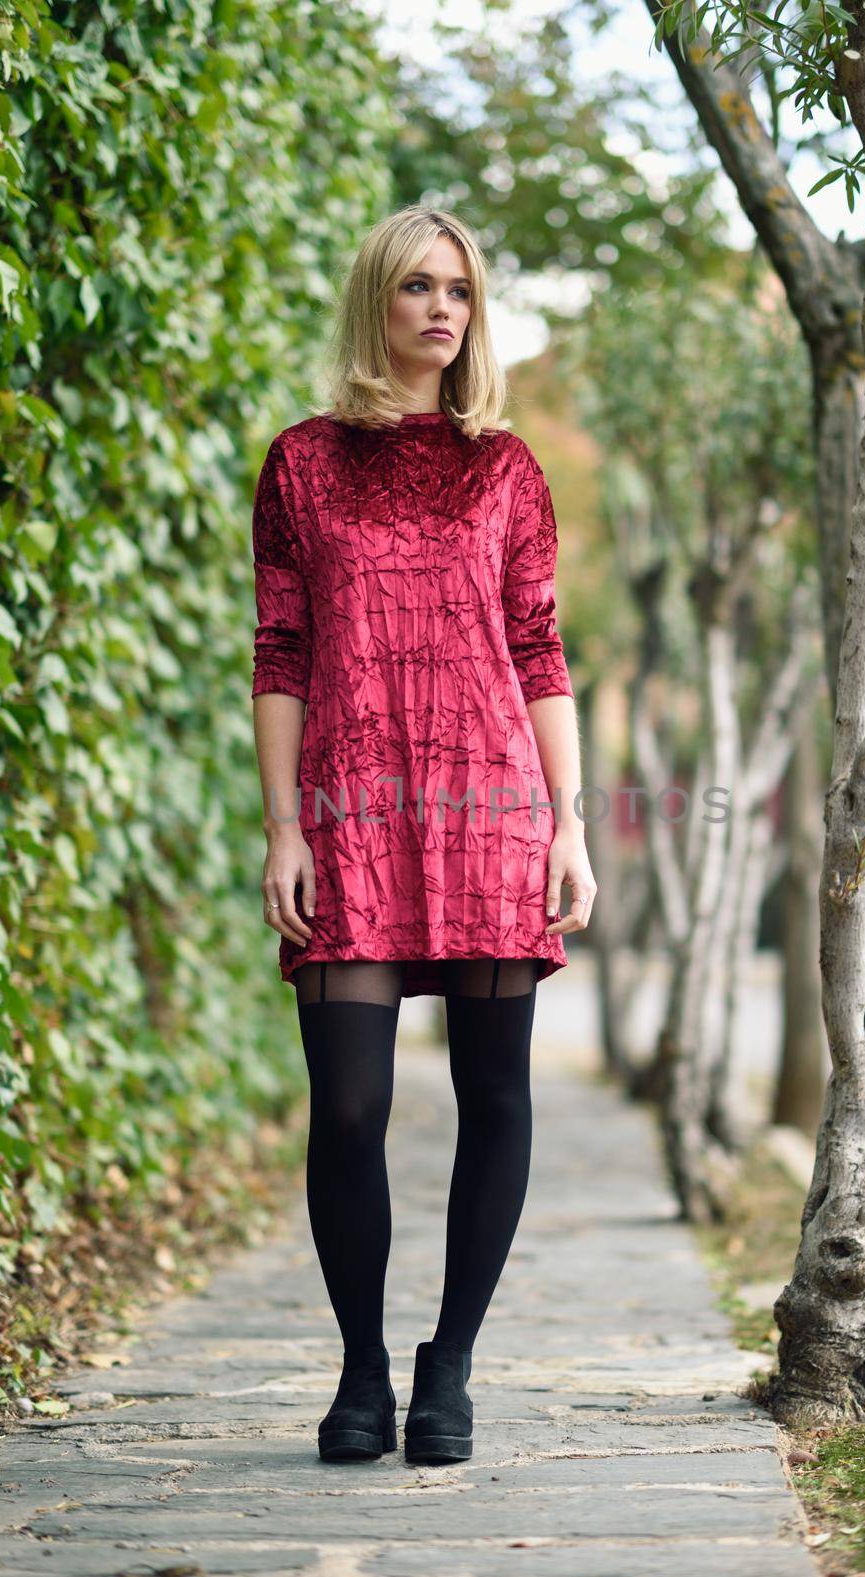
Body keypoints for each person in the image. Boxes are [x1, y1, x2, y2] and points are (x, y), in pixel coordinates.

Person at [250, 204, 596, 1466]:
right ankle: (359, 1369)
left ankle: (449, 1364)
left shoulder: (504, 469)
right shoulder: (300, 463)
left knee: (491, 1093)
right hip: (348, 817)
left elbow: (540, 649)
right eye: (415, 287)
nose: (440, 309)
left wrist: (570, 824)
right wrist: (283, 827)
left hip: (490, 809)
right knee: (346, 1106)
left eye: (458, 289)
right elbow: (281, 650)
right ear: (375, 303)